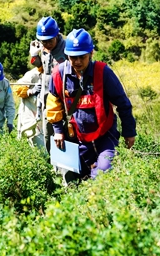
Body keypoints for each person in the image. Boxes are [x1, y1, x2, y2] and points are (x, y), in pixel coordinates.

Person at [45, 29, 136, 180]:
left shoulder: (103, 73)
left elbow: (123, 103)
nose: (78, 62)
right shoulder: (59, 74)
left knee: (103, 173)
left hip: (105, 135)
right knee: (74, 179)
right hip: (77, 138)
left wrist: (129, 131)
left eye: (82, 57)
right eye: (73, 58)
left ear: (91, 53)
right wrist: (58, 131)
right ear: (67, 55)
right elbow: (53, 103)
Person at [35, 17, 67, 152]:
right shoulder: (42, 49)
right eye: (43, 41)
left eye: (50, 40)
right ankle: (53, 166)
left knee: (66, 136)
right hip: (47, 101)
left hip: (65, 102)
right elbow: (41, 69)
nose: (47, 44)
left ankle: (68, 170)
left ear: (57, 35)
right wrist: (35, 57)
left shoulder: (67, 49)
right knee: (48, 136)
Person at [13, 41, 46, 151]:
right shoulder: (33, 75)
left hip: (46, 120)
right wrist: (31, 91)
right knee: (33, 148)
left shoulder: (56, 74)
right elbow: (17, 89)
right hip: (31, 119)